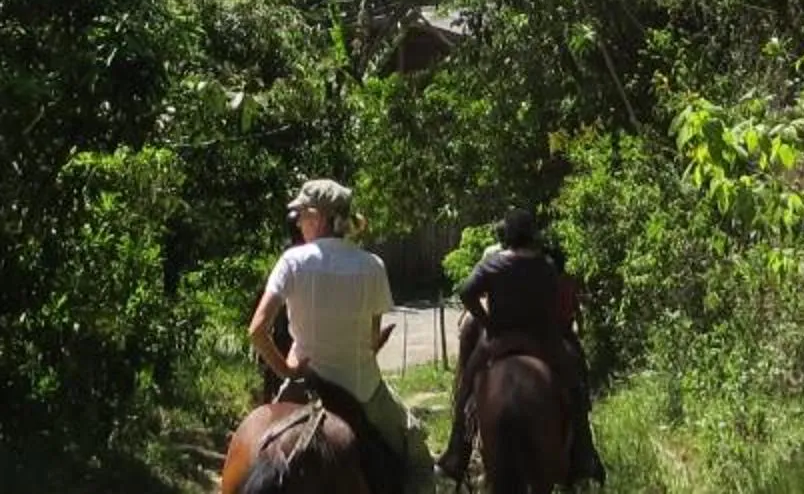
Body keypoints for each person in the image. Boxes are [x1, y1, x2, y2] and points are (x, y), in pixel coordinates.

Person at [248, 178, 435, 493]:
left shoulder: (292, 261)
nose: (298, 222)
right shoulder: (372, 266)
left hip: (304, 385)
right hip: (362, 389)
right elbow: (371, 340)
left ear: (319, 217)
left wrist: (288, 371)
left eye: (301, 215)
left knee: (257, 443)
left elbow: (257, 331)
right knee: (417, 452)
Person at [434, 211, 601, 486]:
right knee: (575, 385)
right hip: (543, 341)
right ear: (532, 235)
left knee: (466, 388)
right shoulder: (546, 265)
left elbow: (466, 292)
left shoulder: (493, 264)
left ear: (507, 236)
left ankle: (456, 454)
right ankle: (584, 454)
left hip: (499, 341)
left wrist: (488, 322)